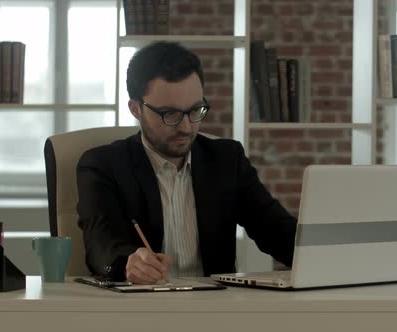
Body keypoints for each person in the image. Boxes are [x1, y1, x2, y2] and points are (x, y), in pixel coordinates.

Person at [76, 41, 296, 284]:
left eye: (195, 110)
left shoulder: (226, 160)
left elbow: (276, 231)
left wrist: (325, 256)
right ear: (136, 109)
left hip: (213, 308)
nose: (186, 127)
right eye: (169, 114)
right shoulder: (103, 166)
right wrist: (129, 262)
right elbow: (100, 244)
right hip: (139, 309)